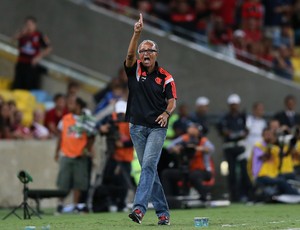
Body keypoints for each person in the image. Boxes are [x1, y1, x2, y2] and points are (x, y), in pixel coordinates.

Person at [124, 13, 177, 225]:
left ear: (156, 54)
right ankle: (163, 213)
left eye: (149, 50)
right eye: (142, 51)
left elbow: (172, 101)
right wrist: (136, 34)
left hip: (157, 127)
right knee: (150, 169)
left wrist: (166, 113)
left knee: (147, 167)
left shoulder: (166, 76)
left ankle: (138, 209)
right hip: (136, 127)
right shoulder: (135, 70)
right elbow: (129, 56)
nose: (145, 53)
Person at [55, 97, 97, 213]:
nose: (68, 106)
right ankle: (60, 204)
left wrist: (86, 150)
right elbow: (60, 136)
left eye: (71, 103)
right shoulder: (65, 119)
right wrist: (56, 152)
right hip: (66, 154)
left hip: (79, 156)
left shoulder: (86, 120)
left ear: (78, 105)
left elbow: (92, 136)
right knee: (63, 182)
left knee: (78, 184)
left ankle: (75, 206)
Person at [162, 122, 215, 201]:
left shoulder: (203, 141)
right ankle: (168, 199)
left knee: (194, 175)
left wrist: (197, 148)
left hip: (202, 171)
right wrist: (176, 148)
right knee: (166, 173)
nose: (192, 130)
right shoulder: (184, 138)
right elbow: (170, 146)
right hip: (186, 169)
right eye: (190, 128)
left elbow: (211, 148)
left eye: (194, 128)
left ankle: (204, 196)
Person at [217, 94, 251, 202]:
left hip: (240, 147)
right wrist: (233, 134)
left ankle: (245, 194)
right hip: (229, 147)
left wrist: (237, 134)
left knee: (244, 171)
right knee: (231, 173)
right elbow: (223, 131)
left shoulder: (243, 117)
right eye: (232, 105)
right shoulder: (225, 118)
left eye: (235, 105)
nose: (234, 107)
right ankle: (234, 196)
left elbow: (246, 131)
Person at [12, 16, 52, 90]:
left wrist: (38, 57)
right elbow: (13, 39)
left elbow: (48, 47)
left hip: (31, 64)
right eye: (27, 24)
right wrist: (21, 33)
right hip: (21, 61)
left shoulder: (39, 35)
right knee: (17, 83)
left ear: (35, 25)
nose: (29, 27)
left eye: (30, 25)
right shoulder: (22, 33)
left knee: (28, 84)